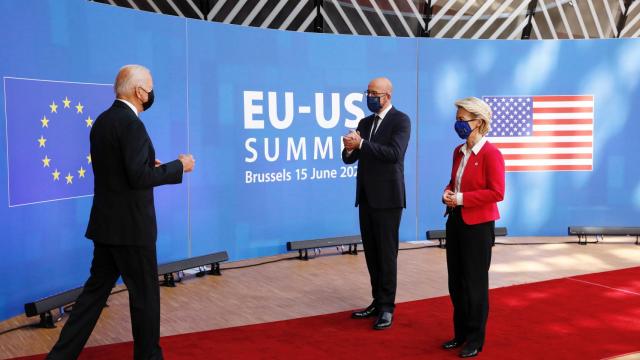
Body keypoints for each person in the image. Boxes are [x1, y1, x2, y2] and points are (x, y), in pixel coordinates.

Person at [47, 64, 195, 360]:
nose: (152, 92)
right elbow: (138, 178)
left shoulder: (102, 121)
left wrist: (148, 166)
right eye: (150, 86)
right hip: (133, 230)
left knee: (91, 298)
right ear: (140, 91)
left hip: (106, 225)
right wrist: (180, 166)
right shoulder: (132, 124)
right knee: (145, 299)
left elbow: (120, 171)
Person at [342, 77, 411, 330]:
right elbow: (351, 159)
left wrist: (362, 144)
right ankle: (376, 300)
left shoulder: (400, 120)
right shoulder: (364, 122)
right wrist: (350, 148)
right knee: (371, 252)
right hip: (367, 197)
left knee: (386, 254)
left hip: (389, 199)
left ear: (388, 96)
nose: (370, 97)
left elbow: (394, 154)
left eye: (375, 93)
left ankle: (387, 308)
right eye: (368, 92)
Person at [441, 97, 505, 358]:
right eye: (457, 119)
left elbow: (497, 192)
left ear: (479, 122)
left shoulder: (492, 154)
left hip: (478, 226)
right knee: (455, 282)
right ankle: (461, 334)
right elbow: (454, 182)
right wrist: (448, 193)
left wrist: (462, 199)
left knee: (474, 283)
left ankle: (475, 340)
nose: (458, 124)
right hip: (455, 221)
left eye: (462, 120)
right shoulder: (458, 152)